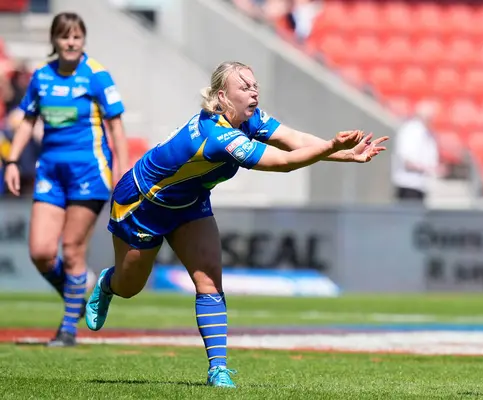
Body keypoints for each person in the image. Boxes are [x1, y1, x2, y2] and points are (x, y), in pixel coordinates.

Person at [85, 61, 387, 388]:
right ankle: (108, 284)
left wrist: (346, 154)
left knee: (210, 280)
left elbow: (294, 140)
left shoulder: (250, 118)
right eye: (244, 87)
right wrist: (331, 148)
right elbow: (283, 163)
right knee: (130, 286)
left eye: (254, 85)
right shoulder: (216, 134)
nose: (253, 91)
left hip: (190, 202)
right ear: (222, 97)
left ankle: (218, 369)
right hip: (143, 203)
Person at [3, 12, 129, 347]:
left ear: (83, 40)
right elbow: (28, 121)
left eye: (76, 36)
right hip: (50, 172)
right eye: (64, 36)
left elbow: (116, 127)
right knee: (41, 252)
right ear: (55, 41)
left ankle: (68, 330)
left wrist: (122, 170)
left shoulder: (97, 75)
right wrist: (13, 161)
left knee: (73, 249)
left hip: (89, 173)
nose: (71, 42)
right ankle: (78, 292)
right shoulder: (41, 77)